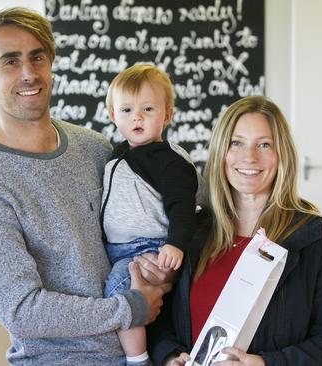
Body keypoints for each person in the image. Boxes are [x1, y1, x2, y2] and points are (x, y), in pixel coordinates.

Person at [0, 7, 171, 365]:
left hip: (144, 352)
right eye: (10, 62)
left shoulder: (94, 148)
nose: (28, 73)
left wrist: (157, 265)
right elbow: (22, 310)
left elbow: (136, 231)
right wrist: (127, 309)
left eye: (37, 57)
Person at [146, 96, 322, 365]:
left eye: (264, 144)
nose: (249, 157)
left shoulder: (316, 238)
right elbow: (157, 319)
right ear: (221, 152)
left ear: (281, 154)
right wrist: (169, 356)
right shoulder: (189, 235)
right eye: (236, 143)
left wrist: (264, 363)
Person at [101, 64, 200, 366]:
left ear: (167, 115)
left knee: (121, 293)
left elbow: (182, 207)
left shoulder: (168, 161)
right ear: (114, 115)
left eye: (147, 108)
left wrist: (175, 244)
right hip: (118, 249)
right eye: (127, 110)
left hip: (147, 249)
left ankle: (137, 359)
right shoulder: (117, 154)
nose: (138, 117)